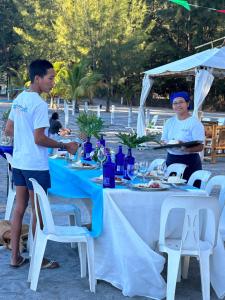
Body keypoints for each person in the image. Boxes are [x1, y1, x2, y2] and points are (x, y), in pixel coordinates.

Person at [5, 59, 79, 268]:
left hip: (19, 163)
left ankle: (15, 257)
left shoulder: (19, 99)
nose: (53, 82)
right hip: (35, 166)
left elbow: (9, 129)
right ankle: (38, 258)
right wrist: (65, 145)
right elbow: (39, 139)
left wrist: (25, 137)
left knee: (19, 209)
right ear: (37, 78)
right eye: (50, 78)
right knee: (38, 212)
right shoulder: (39, 103)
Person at [161, 91, 205, 183]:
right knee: (171, 190)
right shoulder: (169, 122)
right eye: (175, 103)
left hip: (189, 162)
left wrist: (185, 148)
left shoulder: (195, 123)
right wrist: (166, 144)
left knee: (190, 192)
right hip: (171, 160)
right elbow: (163, 140)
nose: (178, 105)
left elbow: (200, 147)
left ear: (187, 104)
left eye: (181, 102)